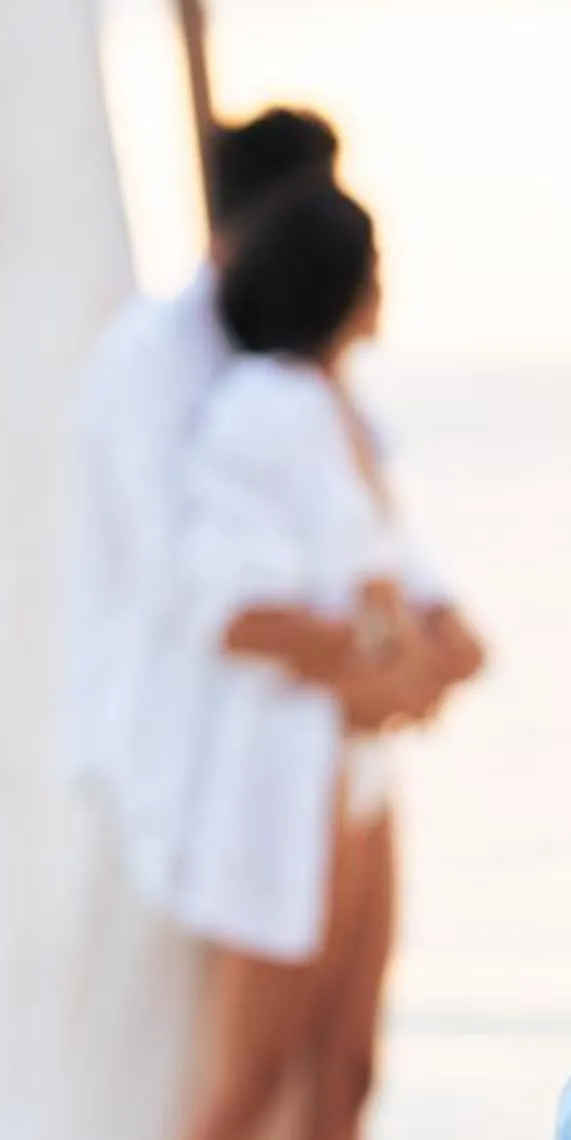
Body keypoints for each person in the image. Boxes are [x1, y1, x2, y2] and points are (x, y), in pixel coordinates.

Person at [126, 176, 484, 1140]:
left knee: (344, 1075)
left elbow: (417, 599)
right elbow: (233, 603)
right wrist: (376, 662)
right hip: (280, 791)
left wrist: (424, 652)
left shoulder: (347, 421)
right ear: (350, 285)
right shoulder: (260, 412)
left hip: (356, 785)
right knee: (244, 1083)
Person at [65, 106, 339, 802]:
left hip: (256, 773)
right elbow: (178, 581)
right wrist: (358, 655)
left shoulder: (290, 365)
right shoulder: (151, 356)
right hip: (151, 770)